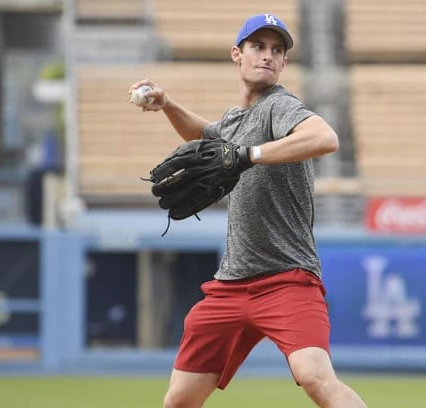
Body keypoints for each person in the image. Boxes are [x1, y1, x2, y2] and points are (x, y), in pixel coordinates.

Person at [129, 13, 369, 408]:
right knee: (179, 400)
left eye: (277, 50)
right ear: (237, 55)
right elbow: (207, 138)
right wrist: (168, 104)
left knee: (315, 376)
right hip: (230, 285)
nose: (268, 56)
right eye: (258, 47)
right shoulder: (235, 120)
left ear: (284, 63)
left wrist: (248, 156)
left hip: (288, 279)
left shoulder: (280, 107)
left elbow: (325, 137)